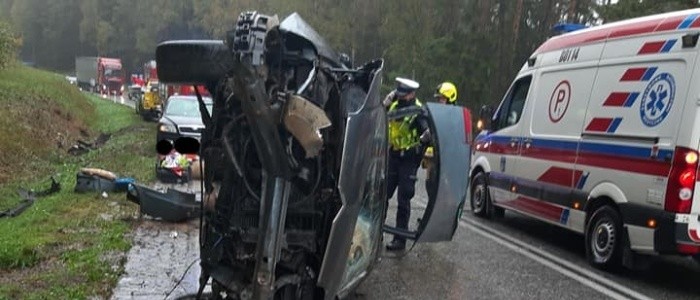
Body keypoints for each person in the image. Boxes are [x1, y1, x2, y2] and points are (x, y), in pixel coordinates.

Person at [385, 77, 431, 251]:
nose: (401, 96)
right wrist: (387, 101)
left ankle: (400, 239)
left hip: (408, 160)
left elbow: (427, 133)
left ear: (412, 93)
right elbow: (379, 113)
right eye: (399, 92)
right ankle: (375, 234)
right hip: (393, 157)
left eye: (404, 93)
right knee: (382, 196)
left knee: (403, 199)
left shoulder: (418, 111)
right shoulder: (395, 106)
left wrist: (423, 139)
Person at [422, 82, 459, 199]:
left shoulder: (456, 116)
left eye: (442, 99)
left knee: (447, 191)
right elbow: (429, 132)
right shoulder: (437, 115)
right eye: (438, 99)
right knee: (430, 185)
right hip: (434, 159)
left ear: (450, 98)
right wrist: (422, 140)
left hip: (449, 159)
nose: (439, 102)